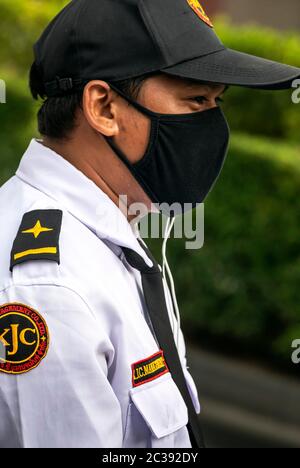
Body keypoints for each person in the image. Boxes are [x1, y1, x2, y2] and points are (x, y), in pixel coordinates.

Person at [0, 0, 299, 449]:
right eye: (196, 99)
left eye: (217, 102)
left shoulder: (113, 229)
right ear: (103, 107)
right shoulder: (51, 286)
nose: (214, 125)